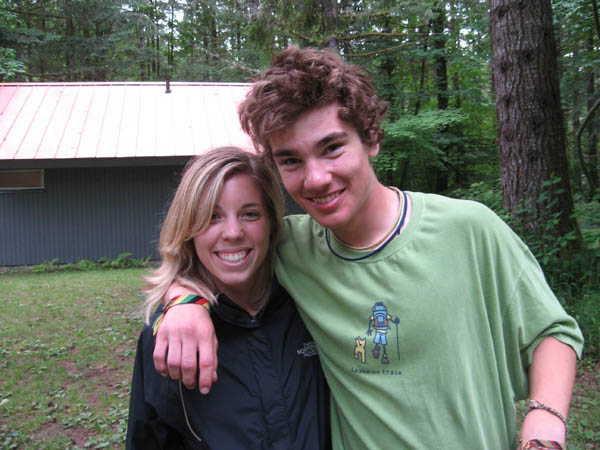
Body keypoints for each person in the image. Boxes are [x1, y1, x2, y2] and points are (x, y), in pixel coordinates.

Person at [152, 47, 584, 450]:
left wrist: (545, 421)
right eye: (291, 161)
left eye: (332, 147)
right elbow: (209, 256)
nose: (316, 178)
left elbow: (551, 332)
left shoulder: (468, 229)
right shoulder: (290, 247)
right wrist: (183, 301)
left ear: (371, 138)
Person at [126, 147, 331, 449]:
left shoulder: (310, 303)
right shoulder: (170, 337)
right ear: (188, 230)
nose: (233, 232)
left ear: (273, 222)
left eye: (250, 214)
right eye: (212, 217)